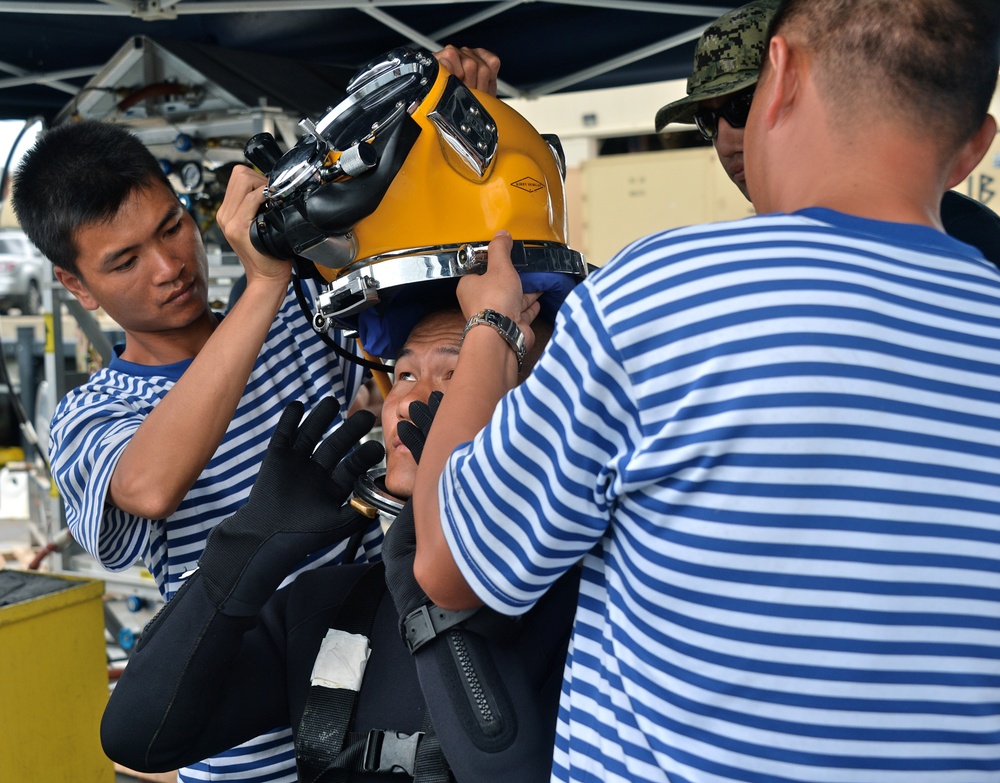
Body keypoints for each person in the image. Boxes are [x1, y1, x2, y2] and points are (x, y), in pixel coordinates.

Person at [411, 2, 1000, 782]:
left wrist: (489, 322)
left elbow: (450, 562)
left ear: (779, 74)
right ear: (973, 148)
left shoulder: (663, 295)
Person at [11, 45, 501, 783]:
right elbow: (147, 486)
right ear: (73, 285)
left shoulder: (300, 313)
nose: (170, 266)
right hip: (242, 739)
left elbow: (429, 336)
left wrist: (460, 131)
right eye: (124, 261)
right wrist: (263, 284)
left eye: (171, 227)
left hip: (376, 696)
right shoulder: (92, 412)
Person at [100, 303, 580, 783]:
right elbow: (138, 737)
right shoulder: (330, 605)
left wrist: (424, 580)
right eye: (406, 373)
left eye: (455, 373)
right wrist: (246, 548)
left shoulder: (588, 602)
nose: (410, 402)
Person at [655, 0, 1000, 267]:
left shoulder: (966, 241)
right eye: (708, 122)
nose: (727, 142)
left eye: (743, 106)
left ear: (790, 84)